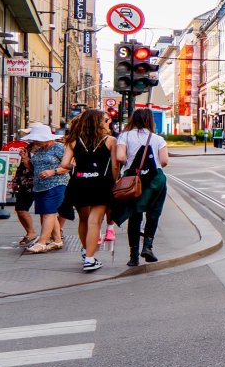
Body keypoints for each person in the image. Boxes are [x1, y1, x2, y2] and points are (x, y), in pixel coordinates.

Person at [112, 110, 170, 267]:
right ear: (150, 121)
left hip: (134, 180)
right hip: (156, 180)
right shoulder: (158, 138)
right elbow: (164, 161)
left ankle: (133, 256)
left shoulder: (125, 136)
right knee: (153, 213)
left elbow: (120, 157)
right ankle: (148, 247)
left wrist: (130, 164)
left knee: (135, 215)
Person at [59, 109, 115, 272]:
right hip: (101, 184)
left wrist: (77, 167)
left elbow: (64, 164)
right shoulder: (110, 140)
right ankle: (90, 259)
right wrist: (115, 180)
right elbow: (115, 165)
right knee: (95, 221)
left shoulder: (74, 140)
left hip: (79, 183)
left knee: (83, 219)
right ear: (99, 123)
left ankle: (85, 251)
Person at [19, 123, 71, 253]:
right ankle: (57, 240)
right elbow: (34, 169)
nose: (34, 141)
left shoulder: (59, 148)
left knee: (49, 212)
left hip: (56, 183)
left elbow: (70, 165)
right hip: (40, 185)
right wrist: (26, 161)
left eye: (36, 139)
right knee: (46, 213)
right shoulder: (38, 150)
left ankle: (42, 242)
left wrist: (52, 171)